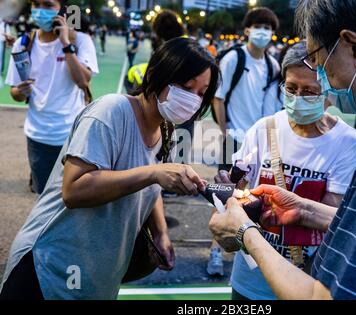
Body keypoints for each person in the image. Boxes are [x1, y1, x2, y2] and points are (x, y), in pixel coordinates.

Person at [209, 0, 356, 300]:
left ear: (354, 47)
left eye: (321, 64)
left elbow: (325, 297)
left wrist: (245, 232)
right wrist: (306, 209)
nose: (325, 80)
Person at [0, 37, 219, 300]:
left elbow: (151, 187)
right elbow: (74, 190)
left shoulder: (166, 130)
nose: (193, 100)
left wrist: (160, 233)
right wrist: (154, 173)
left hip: (96, 274)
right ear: (155, 74)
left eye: (201, 93)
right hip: (49, 269)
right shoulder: (110, 112)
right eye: (186, 86)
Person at [214, 42, 356, 299]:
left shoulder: (348, 144)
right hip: (251, 276)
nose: (298, 98)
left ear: (328, 90)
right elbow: (239, 187)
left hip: (306, 278)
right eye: (291, 88)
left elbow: (331, 221)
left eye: (309, 91)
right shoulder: (264, 128)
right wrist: (229, 191)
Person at [208, 7, 281, 276]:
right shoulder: (234, 58)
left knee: (255, 199)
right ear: (247, 29)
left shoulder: (273, 65)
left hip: (260, 145)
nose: (263, 31)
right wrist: (225, 131)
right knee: (224, 199)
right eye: (258, 26)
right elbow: (218, 97)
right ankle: (215, 252)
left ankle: (251, 250)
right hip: (234, 139)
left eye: (268, 27)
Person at [5, 0, 98, 194]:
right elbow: (14, 93)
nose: (40, 11)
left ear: (62, 10)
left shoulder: (79, 40)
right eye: (36, 5)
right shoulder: (23, 44)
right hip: (38, 136)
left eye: (48, 5)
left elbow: (83, 81)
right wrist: (19, 92)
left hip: (72, 136)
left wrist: (65, 43)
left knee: (72, 198)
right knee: (43, 197)